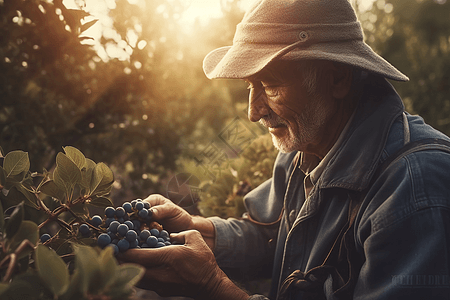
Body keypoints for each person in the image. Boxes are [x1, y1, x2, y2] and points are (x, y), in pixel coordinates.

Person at [120, 0, 450, 299]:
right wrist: (198, 228)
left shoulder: (415, 191)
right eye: (251, 85)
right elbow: (274, 235)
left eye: (271, 84)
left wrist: (211, 286)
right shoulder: (303, 147)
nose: (253, 112)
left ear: (338, 79)